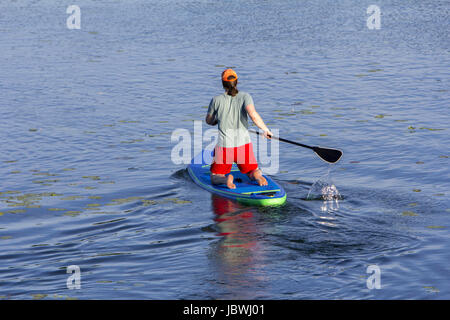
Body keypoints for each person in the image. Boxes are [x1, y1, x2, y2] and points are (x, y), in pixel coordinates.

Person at [205, 68, 273, 189]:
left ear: (222, 84)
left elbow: (209, 121)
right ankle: (258, 177)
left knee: (215, 176)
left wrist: (215, 121)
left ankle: (226, 179)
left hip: (225, 147)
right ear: (237, 82)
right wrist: (265, 130)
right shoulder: (246, 96)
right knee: (252, 170)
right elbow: (253, 115)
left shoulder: (216, 100)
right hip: (243, 146)